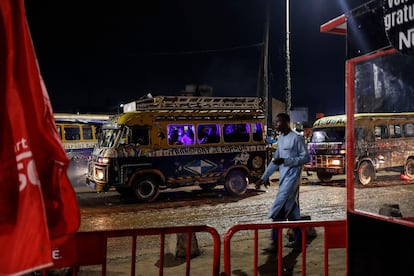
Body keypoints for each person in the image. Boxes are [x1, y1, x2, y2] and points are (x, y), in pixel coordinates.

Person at [255, 113, 310, 251]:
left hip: (292, 181)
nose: (276, 124)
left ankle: (275, 243)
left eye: (278, 122)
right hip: (283, 179)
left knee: (278, 209)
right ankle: (299, 242)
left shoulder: (297, 138)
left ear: (286, 122)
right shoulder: (281, 139)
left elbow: (306, 158)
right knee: (292, 211)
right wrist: (264, 177)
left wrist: (286, 161)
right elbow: (276, 160)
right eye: (275, 122)